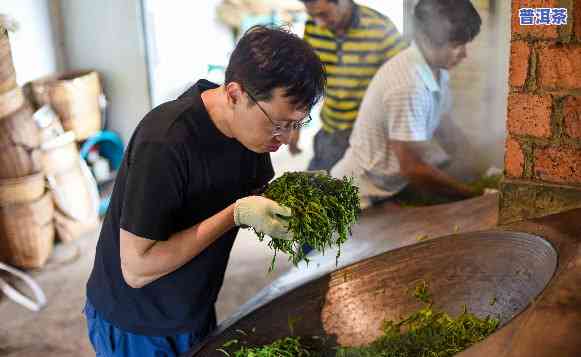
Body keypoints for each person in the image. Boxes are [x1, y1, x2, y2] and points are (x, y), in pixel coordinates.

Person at [84, 25, 326, 356]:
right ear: (234, 94)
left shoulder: (253, 137)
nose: (284, 139)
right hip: (136, 324)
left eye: (296, 124)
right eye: (279, 124)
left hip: (194, 308)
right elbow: (137, 269)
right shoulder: (166, 141)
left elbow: (260, 194)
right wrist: (235, 214)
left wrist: (306, 207)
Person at [331, 0, 482, 209]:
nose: (464, 54)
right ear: (425, 38)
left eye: (466, 43)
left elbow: (445, 125)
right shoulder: (408, 85)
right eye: (456, 45)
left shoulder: (438, 70)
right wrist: (475, 194)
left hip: (391, 188)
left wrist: (478, 164)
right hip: (361, 196)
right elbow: (411, 168)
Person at [290, 0, 407, 172]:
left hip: (369, 136)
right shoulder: (313, 27)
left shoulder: (379, 27)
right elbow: (305, 80)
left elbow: (404, 79)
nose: (319, 23)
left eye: (323, 14)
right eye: (313, 16)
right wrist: (295, 125)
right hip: (330, 133)